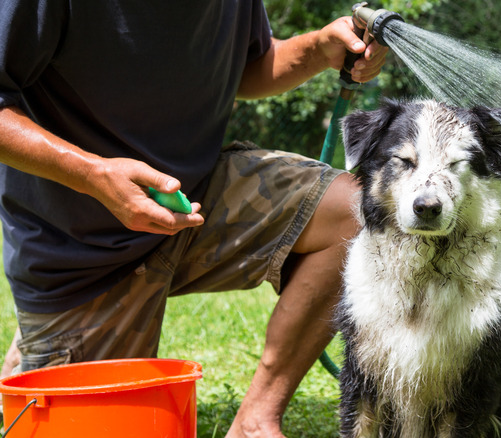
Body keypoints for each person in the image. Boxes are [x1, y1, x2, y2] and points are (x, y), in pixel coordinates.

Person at [0, 1, 388, 436]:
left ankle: (255, 423)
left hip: (194, 198)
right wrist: (93, 174)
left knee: (359, 209)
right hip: (84, 251)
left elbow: (249, 67)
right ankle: (52, 339)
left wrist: (317, 49)